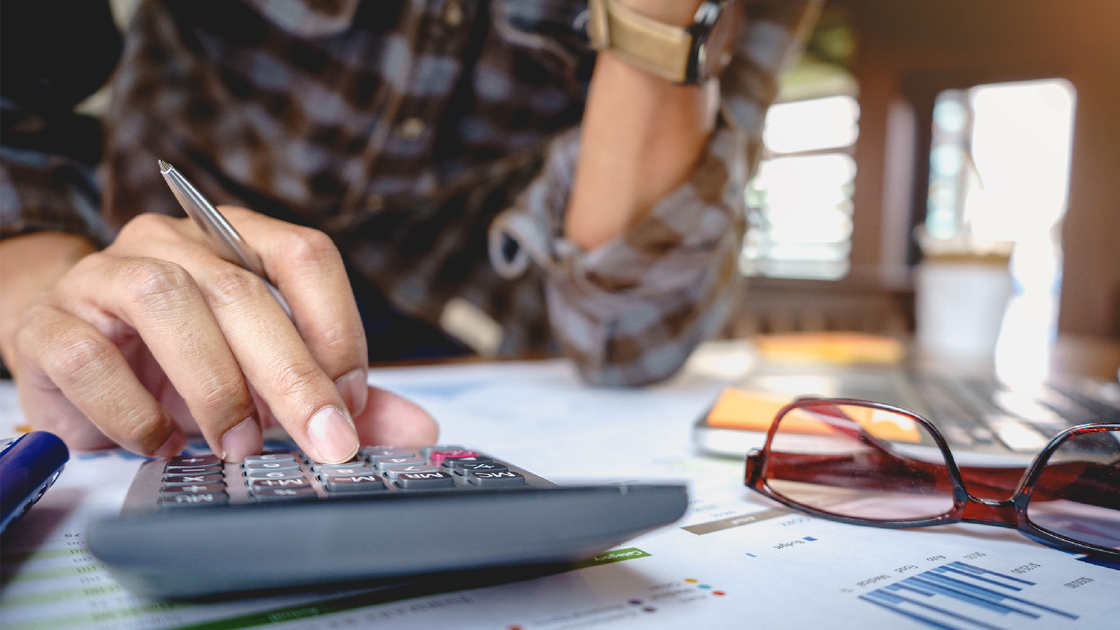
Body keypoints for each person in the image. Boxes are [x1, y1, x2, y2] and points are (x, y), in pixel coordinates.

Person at [0, 0, 819, 464]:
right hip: (152, 286)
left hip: (473, 336)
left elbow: (628, 342)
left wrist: (657, 22)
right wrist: (50, 304)